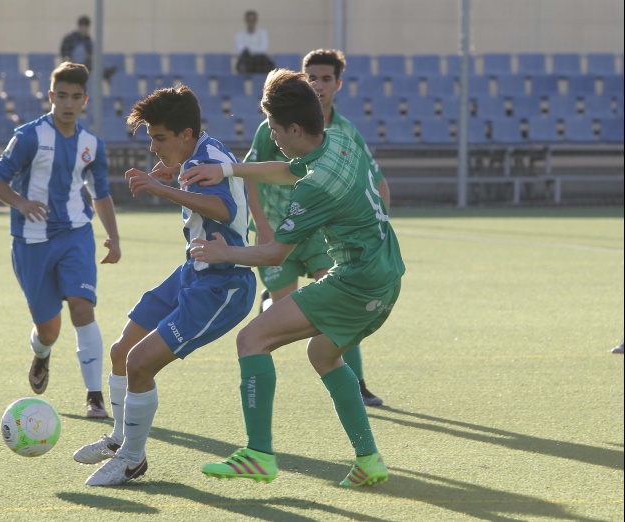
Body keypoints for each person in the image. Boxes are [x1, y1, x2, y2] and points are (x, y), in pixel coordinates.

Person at [176, 69, 405, 487]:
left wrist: (224, 251)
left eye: (277, 131)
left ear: (296, 127)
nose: (274, 137)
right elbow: (291, 170)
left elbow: (275, 253)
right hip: (387, 275)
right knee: (322, 355)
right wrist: (229, 172)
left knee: (252, 339)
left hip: (357, 281)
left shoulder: (316, 190)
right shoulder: (339, 139)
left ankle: (259, 453)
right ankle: (369, 459)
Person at [73, 85, 256, 487]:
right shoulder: (202, 152)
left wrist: (163, 187)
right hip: (193, 270)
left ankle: (132, 460)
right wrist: (176, 175)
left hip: (222, 286)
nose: (154, 148)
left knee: (140, 362)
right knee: (122, 350)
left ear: (185, 134)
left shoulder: (206, 158)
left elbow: (223, 208)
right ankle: (120, 440)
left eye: (159, 138)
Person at [245, 49, 389, 407]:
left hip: (321, 238)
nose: (319, 85)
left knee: (335, 306)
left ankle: (356, 383)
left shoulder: (344, 133)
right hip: (280, 231)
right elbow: (252, 171)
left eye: (326, 78)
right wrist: (261, 225)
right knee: (280, 317)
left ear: (338, 84)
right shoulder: (271, 127)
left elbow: (377, 182)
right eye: (312, 78)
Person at [0, 62, 121, 419]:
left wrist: (113, 236)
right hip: (31, 242)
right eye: (61, 95)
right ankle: (42, 354)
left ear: (85, 100)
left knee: (82, 307)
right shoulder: (29, 136)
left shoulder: (92, 145)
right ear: (51, 96)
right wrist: (21, 202)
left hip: (76, 234)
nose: (68, 103)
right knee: (49, 328)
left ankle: (94, 396)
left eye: (76, 97)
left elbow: (101, 193)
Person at [235, 10, 274, 74]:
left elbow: (263, 49)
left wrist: (248, 49)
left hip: (260, 63)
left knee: (265, 62)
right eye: (249, 20)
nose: (251, 22)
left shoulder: (263, 34)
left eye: (253, 20)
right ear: (246, 21)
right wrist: (255, 49)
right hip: (247, 63)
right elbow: (240, 50)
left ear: (256, 20)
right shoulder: (239, 35)